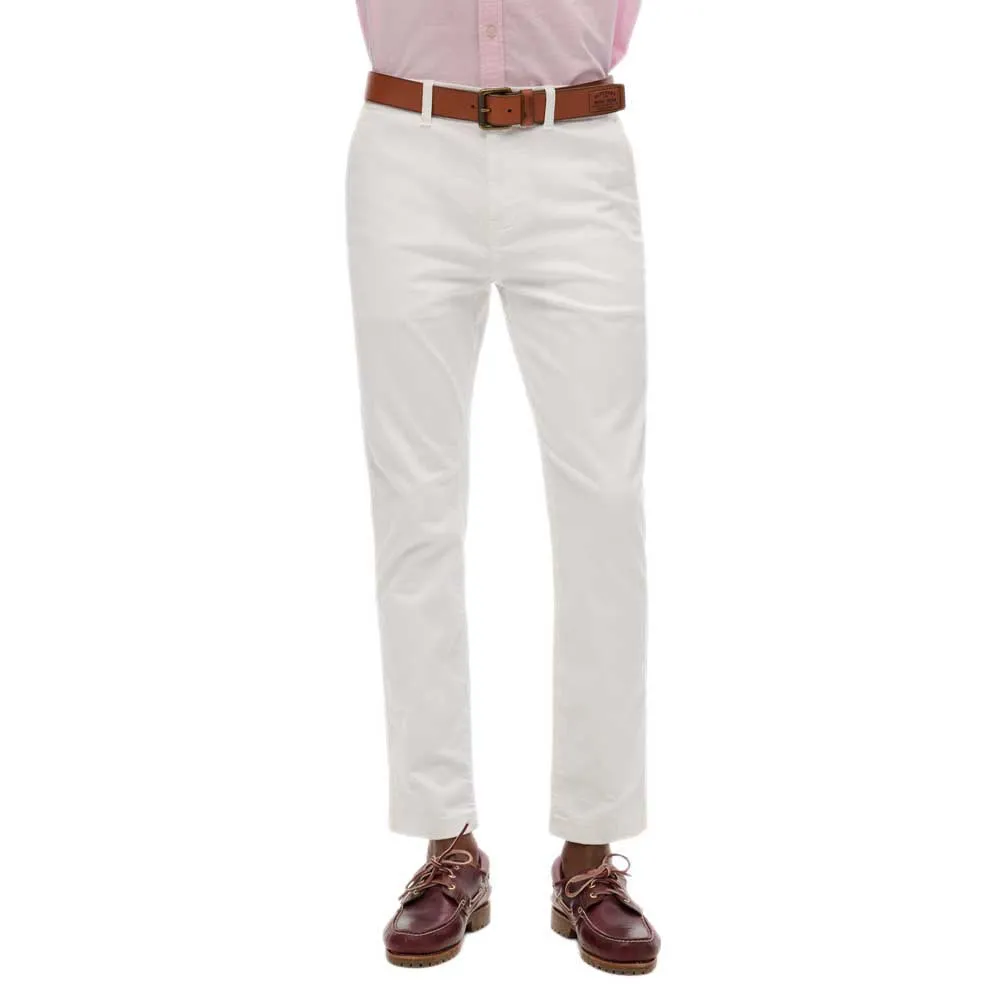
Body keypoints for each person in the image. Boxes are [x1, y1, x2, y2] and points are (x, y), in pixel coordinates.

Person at [348, 1, 659, 975]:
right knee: (415, 506)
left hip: (575, 144)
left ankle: (589, 856)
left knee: (603, 502)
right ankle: (447, 846)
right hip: (409, 143)